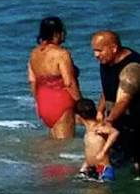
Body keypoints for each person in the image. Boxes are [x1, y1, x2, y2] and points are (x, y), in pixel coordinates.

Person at [90, 31, 139, 175]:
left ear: (113, 48)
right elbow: (108, 88)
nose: (96, 55)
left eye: (99, 50)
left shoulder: (132, 68)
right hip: (120, 121)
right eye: (94, 50)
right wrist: (100, 112)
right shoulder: (107, 61)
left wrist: (109, 121)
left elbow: (123, 100)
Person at [29, 16, 83, 138]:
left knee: (53, 144)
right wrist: (81, 105)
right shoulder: (62, 54)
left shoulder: (34, 53)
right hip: (61, 102)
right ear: (57, 34)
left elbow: (32, 80)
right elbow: (69, 83)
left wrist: (38, 102)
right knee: (65, 145)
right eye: (63, 30)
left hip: (43, 102)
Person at [75, 99, 123, 180]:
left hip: (103, 169)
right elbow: (91, 150)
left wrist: (103, 151)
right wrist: (85, 165)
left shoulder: (98, 128)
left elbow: (115, 132)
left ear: (78, 117)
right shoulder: (89, 131)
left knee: (100, 188)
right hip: (91, 169)